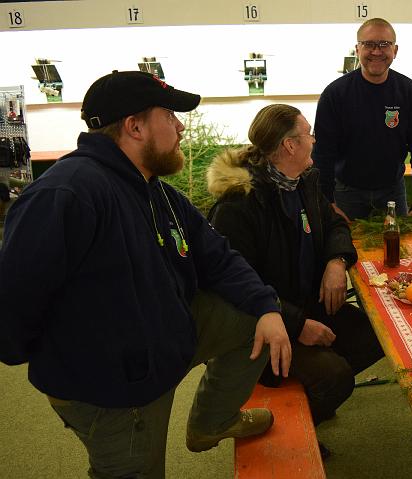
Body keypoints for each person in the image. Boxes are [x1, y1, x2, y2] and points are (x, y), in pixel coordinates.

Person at [0, 70, 292, 478]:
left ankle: (212, 422)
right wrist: (70, 367)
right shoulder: (68, 192)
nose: (181, 127)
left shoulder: (157, 191)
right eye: (170, 116)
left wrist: (266, 307)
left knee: (252, 318)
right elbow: (14, 301)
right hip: (111, 386)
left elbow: (218, 257)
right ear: (135, 127)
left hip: (162, 342)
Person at [206, 105, 385, 436]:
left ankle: (312, 396)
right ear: (290, 145)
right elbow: (238, 287)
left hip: (307, 305)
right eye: (309, 134)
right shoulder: (238, 204)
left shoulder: (303, 181)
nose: (314, 140)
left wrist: (336, 262)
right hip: (263, 327)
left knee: (376, 336)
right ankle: (294, 427)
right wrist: (298, 325)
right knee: (334, 376)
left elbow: (334, 224)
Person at [312, 17, 412, 221]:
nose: (376, 51)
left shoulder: (410, 92)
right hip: (345, 192)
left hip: (392, 191)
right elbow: (323, 153)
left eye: (384, 44)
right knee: (346, 241)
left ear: (395, 50)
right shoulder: (335, 94)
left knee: (397, 241)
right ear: (357, 49)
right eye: (369, 44)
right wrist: (328, 202)